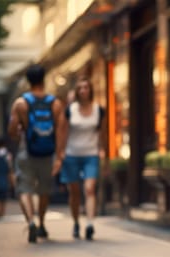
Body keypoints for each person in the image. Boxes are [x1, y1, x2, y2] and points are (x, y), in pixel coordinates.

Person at [8, 64, 65, 243]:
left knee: (24, 188)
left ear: (28, 81)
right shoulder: (55, 103)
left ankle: (30, 221)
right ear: (44, 79)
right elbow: (61, 130)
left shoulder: (20, 103)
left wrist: (18, 134)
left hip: (27, 150)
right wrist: (60, 155)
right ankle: (41, 223)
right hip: (47, 153)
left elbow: (12, 131)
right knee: (44, 190)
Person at [60, 77, 106, 240]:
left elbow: (101, 132)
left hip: (90, 155)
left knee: (90, 188)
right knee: (74, 192)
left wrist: (101, 149)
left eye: (86, 87)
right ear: (77, 92)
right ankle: (76, 222)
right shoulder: (69, 110)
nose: (83, 91)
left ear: (90, 90)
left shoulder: (98, 110)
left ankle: (89, 224)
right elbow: (63, 131)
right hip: (71, 155)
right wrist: (61, 153)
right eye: (80, 88)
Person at [0, 137, 13, 219]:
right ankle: (2, 215)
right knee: (3, 199)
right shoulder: (8, 155)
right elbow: (10, 170)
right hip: (4, 181)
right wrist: (12, 182)